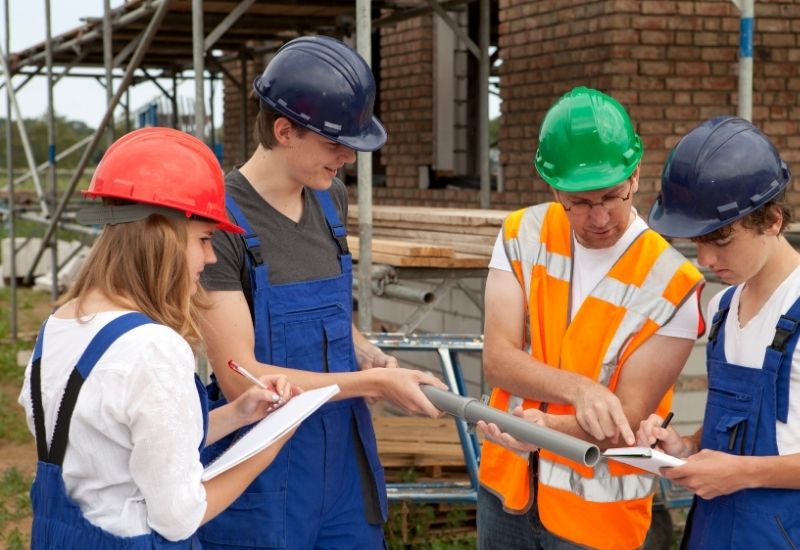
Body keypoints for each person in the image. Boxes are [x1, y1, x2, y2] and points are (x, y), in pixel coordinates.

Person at [196, 35, 445, 549]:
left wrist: (366, 353)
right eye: (336, 144)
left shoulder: (330, 199)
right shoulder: (220, 222)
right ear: (285, 131)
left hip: (344, 464)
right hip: (263, 462)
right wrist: (371, 385)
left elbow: (331, 316)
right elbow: (246, 381)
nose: (347, 159)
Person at [17, 127, 303, 548]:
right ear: (160, 236)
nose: (210, 257)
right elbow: (179, 517)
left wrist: (241, 413)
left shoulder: (60, 324)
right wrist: (271, 444)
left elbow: (123, 444)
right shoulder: (152, 348)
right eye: (204, 239)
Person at [475, 86, 705, 550]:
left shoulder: (673, 282)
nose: (598, 217)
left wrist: (537, 429)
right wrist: (582, 390)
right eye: (579, 202)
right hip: (508, 489)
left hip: (597, 516)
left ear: (636, 177)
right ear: (553, 187)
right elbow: (497, 360)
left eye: (611, 197)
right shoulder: (523, 234)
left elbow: (627, 416)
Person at [638, 116, 800, 548]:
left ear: (772, 221)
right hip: (710, 532)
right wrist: (686, 447)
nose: (705, 258)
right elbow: (734, 430)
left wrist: (739, 473)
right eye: (696, 241)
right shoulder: (721, 310)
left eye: (721, 239)